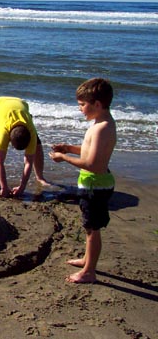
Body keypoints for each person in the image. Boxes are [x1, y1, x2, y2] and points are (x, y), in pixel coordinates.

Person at [49, 78, 116, 284]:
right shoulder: (101, 122)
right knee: (89, 226)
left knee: (92, 230)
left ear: (97, 104)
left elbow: (93, 164)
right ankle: (88, 259)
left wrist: (64, 158)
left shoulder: (101, 128)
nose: (80, 109)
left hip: (95, 185)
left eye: (82, 105)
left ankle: (89, 271)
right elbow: (90, 151)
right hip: (96, 183)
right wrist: (69, 148)